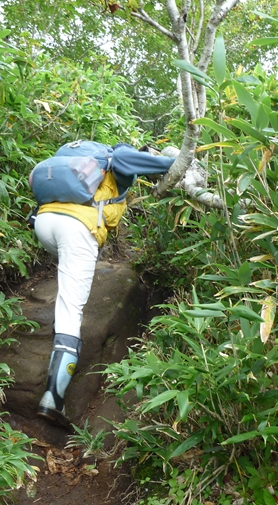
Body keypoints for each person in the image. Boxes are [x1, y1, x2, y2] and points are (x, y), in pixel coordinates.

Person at [31, 142, 175, 427]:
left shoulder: (74, 155)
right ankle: (52, 398)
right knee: (71, 310)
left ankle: (55, 367)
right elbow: (137, 160)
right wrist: (175, 164)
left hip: (43, 223)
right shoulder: (116, 157)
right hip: (76, 228)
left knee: (70, 273)